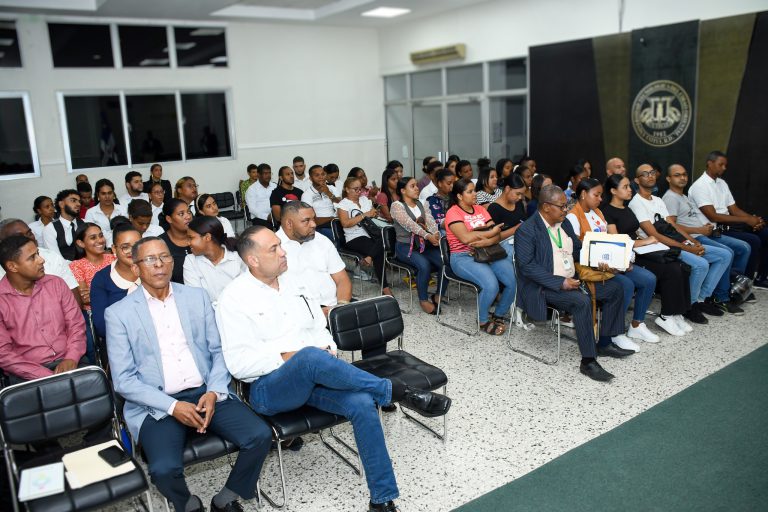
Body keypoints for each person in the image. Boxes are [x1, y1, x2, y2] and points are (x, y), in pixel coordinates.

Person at [215, 226, 451, 512]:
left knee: (362, 403)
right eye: (274, 249)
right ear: (252, 260)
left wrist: (326, 348)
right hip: (269, 389)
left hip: (316, 377)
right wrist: (291, 358)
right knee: (308, 357)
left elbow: (319, 327)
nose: (283, 252)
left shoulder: (295, 282)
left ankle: (382, 499)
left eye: (280, 245)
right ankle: (397, 392)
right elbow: (239, 364)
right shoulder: (234, 298)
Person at [105, 237, 271, 512]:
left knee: (260, 435)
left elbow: (218, 351)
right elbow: (124, 380)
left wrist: (214, 391)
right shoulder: (119, 314)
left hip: (206, 391)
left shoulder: (196, 297)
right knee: (163, 469)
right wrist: (173, 406)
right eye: (150, 259)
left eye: (165, 257)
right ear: (135, 268)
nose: (159, 264)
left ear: (173, 262)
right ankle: (188, 504)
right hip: (157, 404)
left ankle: (226, 498)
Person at [515, 186, 630, 382]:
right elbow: (527, 267)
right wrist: (560, 282)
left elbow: (578, 250)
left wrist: (601, 261)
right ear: (546, 207)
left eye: (566, 205)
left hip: (572, 279)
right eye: (562, 206)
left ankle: (604, 343)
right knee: (581, 302)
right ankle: (588, 362)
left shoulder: (564, 223)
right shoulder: (527, 230)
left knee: (616, 288)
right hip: (543, 286)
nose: (566, 209)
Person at [629, 164, 731, 325]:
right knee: (701, 265)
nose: (650, 176)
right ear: (637, 180)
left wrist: (693, 241)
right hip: (659, 248)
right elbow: (655, 235)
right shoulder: (636, 203)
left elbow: (673, 225)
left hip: (674, 241)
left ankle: (700, 299)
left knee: (724, 255)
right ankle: (690, 306)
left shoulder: (657, 200)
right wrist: (687, 248)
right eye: (645, 174)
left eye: (652, 172)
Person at [566, 178, 659, 348]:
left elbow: (610, 241)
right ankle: (615, 332)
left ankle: (637, 325)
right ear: (583, 194)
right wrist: (604, 262)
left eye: (601, 195)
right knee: (626, 285)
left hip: (608, 263)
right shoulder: (573, 217)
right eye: (596, 195)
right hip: (588, 268)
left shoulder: (597, 213)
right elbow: (575, 251)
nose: (600, 199)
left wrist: (622, 260)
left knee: (648, 279)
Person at [602, 175, 692, 336]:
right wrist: (644, 242)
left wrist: (647, 242)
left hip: (640, 251)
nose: (630, 190)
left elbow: (634, 232)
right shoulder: (607, 212)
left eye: (629, 186)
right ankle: (665, 316)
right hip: (628, 256)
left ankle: (675, 312)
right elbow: (617, 241)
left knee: (679, 265)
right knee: (670, 270)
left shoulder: (627, 208)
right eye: (625, 187)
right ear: (613, 191)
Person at [0, 234, 86, 384]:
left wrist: (71, 358)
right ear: (12, 266)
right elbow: (3, 353)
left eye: (38, 253)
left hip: (71, 362)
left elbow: (76, 325)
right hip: (27, 375)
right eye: (32, 257)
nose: (41, 260)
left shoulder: (56, 284)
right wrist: (46, 375)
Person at [663, 164, 748, 314]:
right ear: (668, 179)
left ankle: (708, 297)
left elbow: (687, 220)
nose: (682, 177)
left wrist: (703, 227)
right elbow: (672, 226)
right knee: (726, 254)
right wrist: (698, 231)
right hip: (690, 239)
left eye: (684, 174)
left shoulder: (683, 197)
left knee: (735, 250)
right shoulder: (670, 198)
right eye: (677, 175)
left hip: (701, 234)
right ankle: (716, 297)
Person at [444, 179, 516, 335]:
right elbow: (465, 238)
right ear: (459, 196)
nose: (475, 194)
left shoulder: (480, 209)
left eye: (474, 190)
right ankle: (482, 320)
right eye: (469, 191)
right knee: (491, 285)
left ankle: (498, 314)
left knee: (512, 281)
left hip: (488, 251)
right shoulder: (453, 213)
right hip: (463, 257)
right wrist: (490, 233)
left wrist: (486, 240)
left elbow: (497, 234)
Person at [688, 150, 768, 289]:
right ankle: (741, 284)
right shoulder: (700, 186)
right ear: (710, 163)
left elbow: (734, 209)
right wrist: (746, 220)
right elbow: (713, 216)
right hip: (716, 229)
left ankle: (760, 278)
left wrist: (753, 220)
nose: (724, 168)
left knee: (765, 233)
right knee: (752, 241)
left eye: (725, 165)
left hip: (731, 225)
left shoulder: (721, 183)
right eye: (721, 165)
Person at [276, 201, 351, 314]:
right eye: (306, 220)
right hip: (298, 314)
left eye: (313, 219)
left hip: (333, 308)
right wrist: (315, 314)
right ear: (289, 224)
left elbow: (342, 279)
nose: (314, 224)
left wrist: (340, 308)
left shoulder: (322, 241)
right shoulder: (272, 248)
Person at [390, 177, 444, 314]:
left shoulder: (421, 203)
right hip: (405, 246)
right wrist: (428, 236)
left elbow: (431, 221)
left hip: (423, 245)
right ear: (403, 190)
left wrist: (436, 234)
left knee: (445, 261)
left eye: (416, 185)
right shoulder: (396, 206)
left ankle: (438, 295)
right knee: (424, 265)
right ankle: (423, 300)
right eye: (412, 186)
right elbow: (410, 225)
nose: (416, 188)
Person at [0, 219, 81, 307]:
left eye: (29, 233)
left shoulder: (51, 257)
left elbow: (74, 299)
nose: (28, 238)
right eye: (19, 237)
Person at [337, 177, 392, 296]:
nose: (358, 192)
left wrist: (374, 214)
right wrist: (364, 215)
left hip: (371, 233)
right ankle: (385, 287)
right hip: (354, 237)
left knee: (386, 237)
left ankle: (369, 258)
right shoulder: (343, 205)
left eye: (360, 189)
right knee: (380, 249)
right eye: (355, 189)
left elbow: (372, 215)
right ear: (347, 189)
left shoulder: (364, 200)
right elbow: (345, 223)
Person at [69, 222, 115, 363]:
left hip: (118, 308)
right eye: (93, 237)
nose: (100, 240)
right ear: (81, 243)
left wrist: (98, 294)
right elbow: (85, 298)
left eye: (101, 235)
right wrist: (114, 292)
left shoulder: (113, 258)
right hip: (93, 314)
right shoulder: (77, 265)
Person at [90, 223, 142, 339]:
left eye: (137, 246)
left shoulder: (152, 271)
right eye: (125, 247)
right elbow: (103, 327)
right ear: (114, 249)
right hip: (118, 341)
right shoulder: (102, 279)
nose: (132, 251)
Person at [183, 216, 245, 306]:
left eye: (191, 238)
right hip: (208, 313)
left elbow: (246, 291)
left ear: (207, 237)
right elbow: (195, 297)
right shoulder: (191, 261)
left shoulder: (237, 257)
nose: (188, 243)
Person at [487, 174, 527, 263]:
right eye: (518, 194)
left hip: (522, 241)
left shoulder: (518, 203)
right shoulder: (494, 208)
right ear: (507, 189)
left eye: (522, 194)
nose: (520, 197)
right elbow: (494, 238)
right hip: (505, 248)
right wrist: (516, 229)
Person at [43, 189, 84, 261]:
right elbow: (55, 259)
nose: (78, 204)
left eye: (79, 201)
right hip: (64, 267)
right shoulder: (50, 229)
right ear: (61, 204)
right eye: (73, 201)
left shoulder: (85, 223)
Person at [85, 178, 127, 247]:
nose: (107, 197)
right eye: (103, 194)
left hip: (122, 245)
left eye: (110, 193)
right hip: (99, 247)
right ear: (98, 195)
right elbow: (90, 235)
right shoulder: (91, 213)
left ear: (113, 194)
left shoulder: (122, 209)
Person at [159, 199, 192, 284]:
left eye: (189, 212)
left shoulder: (200, 237)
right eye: (181, 214)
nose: (188, 217)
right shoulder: (160, 244)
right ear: (169, 219)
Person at [300, 165, 338, 240]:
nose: (321, 177)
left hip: (336, 222)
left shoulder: (332, 189)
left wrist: (329, 193)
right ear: (310, 178)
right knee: (335, 236)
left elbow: (342, 205)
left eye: (323, 174)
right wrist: (332, 218)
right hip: (320, 226)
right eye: (317, 175)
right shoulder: (306, 195)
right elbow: (311, 220)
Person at [245, 163, 277, 228]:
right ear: (258, 175)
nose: (268, 176)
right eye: (265, 173)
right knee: (267, 229)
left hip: (275, 216)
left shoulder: (275, 186)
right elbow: (252, 209)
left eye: (269, 173)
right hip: (259, 218)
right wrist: (266, 216)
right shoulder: (252, 189)